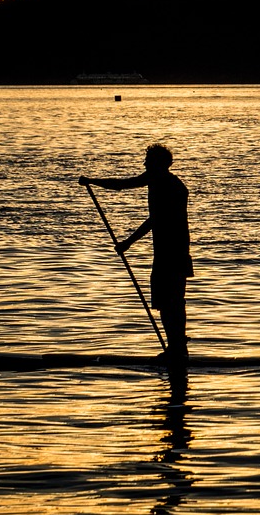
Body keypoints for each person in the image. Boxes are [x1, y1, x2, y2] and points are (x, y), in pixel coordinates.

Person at [80, 144, 193, 363]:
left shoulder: (171, 186)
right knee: (164, 301)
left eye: (148, 160)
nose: (144, 164)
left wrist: (127, 243)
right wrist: (93, 182)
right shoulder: (155, 179)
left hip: (174, 252)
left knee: (173, 301)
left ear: (160, 164)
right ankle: (175, 348)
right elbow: (123, 185)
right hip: (164, 252)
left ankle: (178, 349)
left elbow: (156, 219)